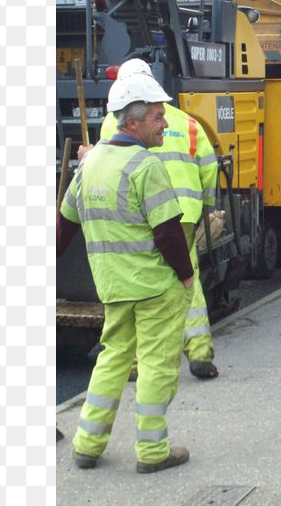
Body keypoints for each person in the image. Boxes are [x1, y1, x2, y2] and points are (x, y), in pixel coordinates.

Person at [58, 72, 193, 473]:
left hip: (113, 287)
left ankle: (87, 444)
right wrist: (186, 276)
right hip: (155, 288)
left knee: (112, 360)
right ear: (132, 123)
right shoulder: (144, 166)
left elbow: (64, 226)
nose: (164, 124)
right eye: (157, 117)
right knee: (156, 365)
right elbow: (168, 232)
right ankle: (153, 451)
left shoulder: (90, 162)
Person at [79, 59, 220, 379]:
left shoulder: (113, 123)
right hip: (182, 212)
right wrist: (207, 207)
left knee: (137, 285)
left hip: (134, 214)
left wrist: (87, 157)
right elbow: (209, 167)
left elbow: (104, 164)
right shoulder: (188, 123)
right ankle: (199, 352)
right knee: (188, 278)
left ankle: (133, 363)